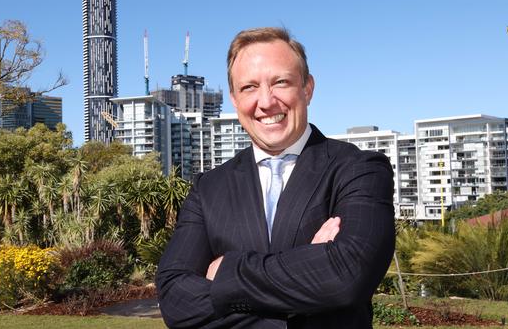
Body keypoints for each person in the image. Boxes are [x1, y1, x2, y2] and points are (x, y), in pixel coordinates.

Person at [156, 27, 395, 328]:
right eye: (249, 87)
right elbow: (176, 301)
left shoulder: (358, 169)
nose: (266, 102)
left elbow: (348, 276)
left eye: (280, 82)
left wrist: (227, 272)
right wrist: (308, 271)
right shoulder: (208, 188)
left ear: (307, 88)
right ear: (233, 99)